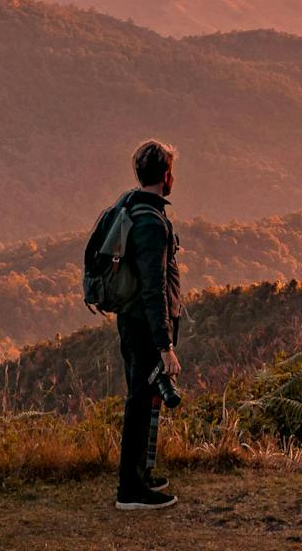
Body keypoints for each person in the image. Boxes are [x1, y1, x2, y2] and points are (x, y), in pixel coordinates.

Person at [112, 137, 183, 510]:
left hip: (134, 322)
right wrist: (165, 346)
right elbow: (154, 289)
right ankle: (130, 490)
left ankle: (141, 475)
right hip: (145, 326)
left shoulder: (134, 208)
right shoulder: (151, 223)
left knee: (146, 400)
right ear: (166, 176)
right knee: (141, 402)